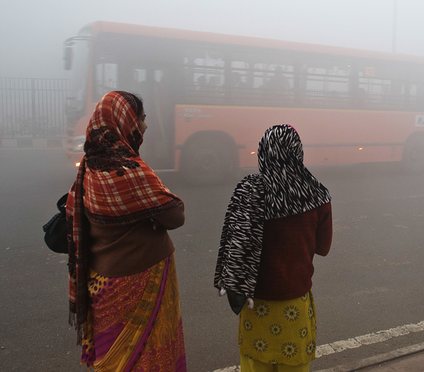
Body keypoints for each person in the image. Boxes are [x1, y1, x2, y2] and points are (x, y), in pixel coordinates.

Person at [65, 91, 187, 371]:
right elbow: (175, 214)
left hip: (102, 282)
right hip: (141, 278)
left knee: (116, 357)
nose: (145, 126)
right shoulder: (129, 170)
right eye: (140, 118)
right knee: (150, 354)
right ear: (124, 122)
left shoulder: (88, 167)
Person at [215, 124, 333, 372]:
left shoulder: (250, 191)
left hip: (256, 303)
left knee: (255, 365)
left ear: (263, 152)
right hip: (295, 303)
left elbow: (233, 244)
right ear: (297, 152)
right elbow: (323, 248)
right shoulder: (317, 195)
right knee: (295, 365)